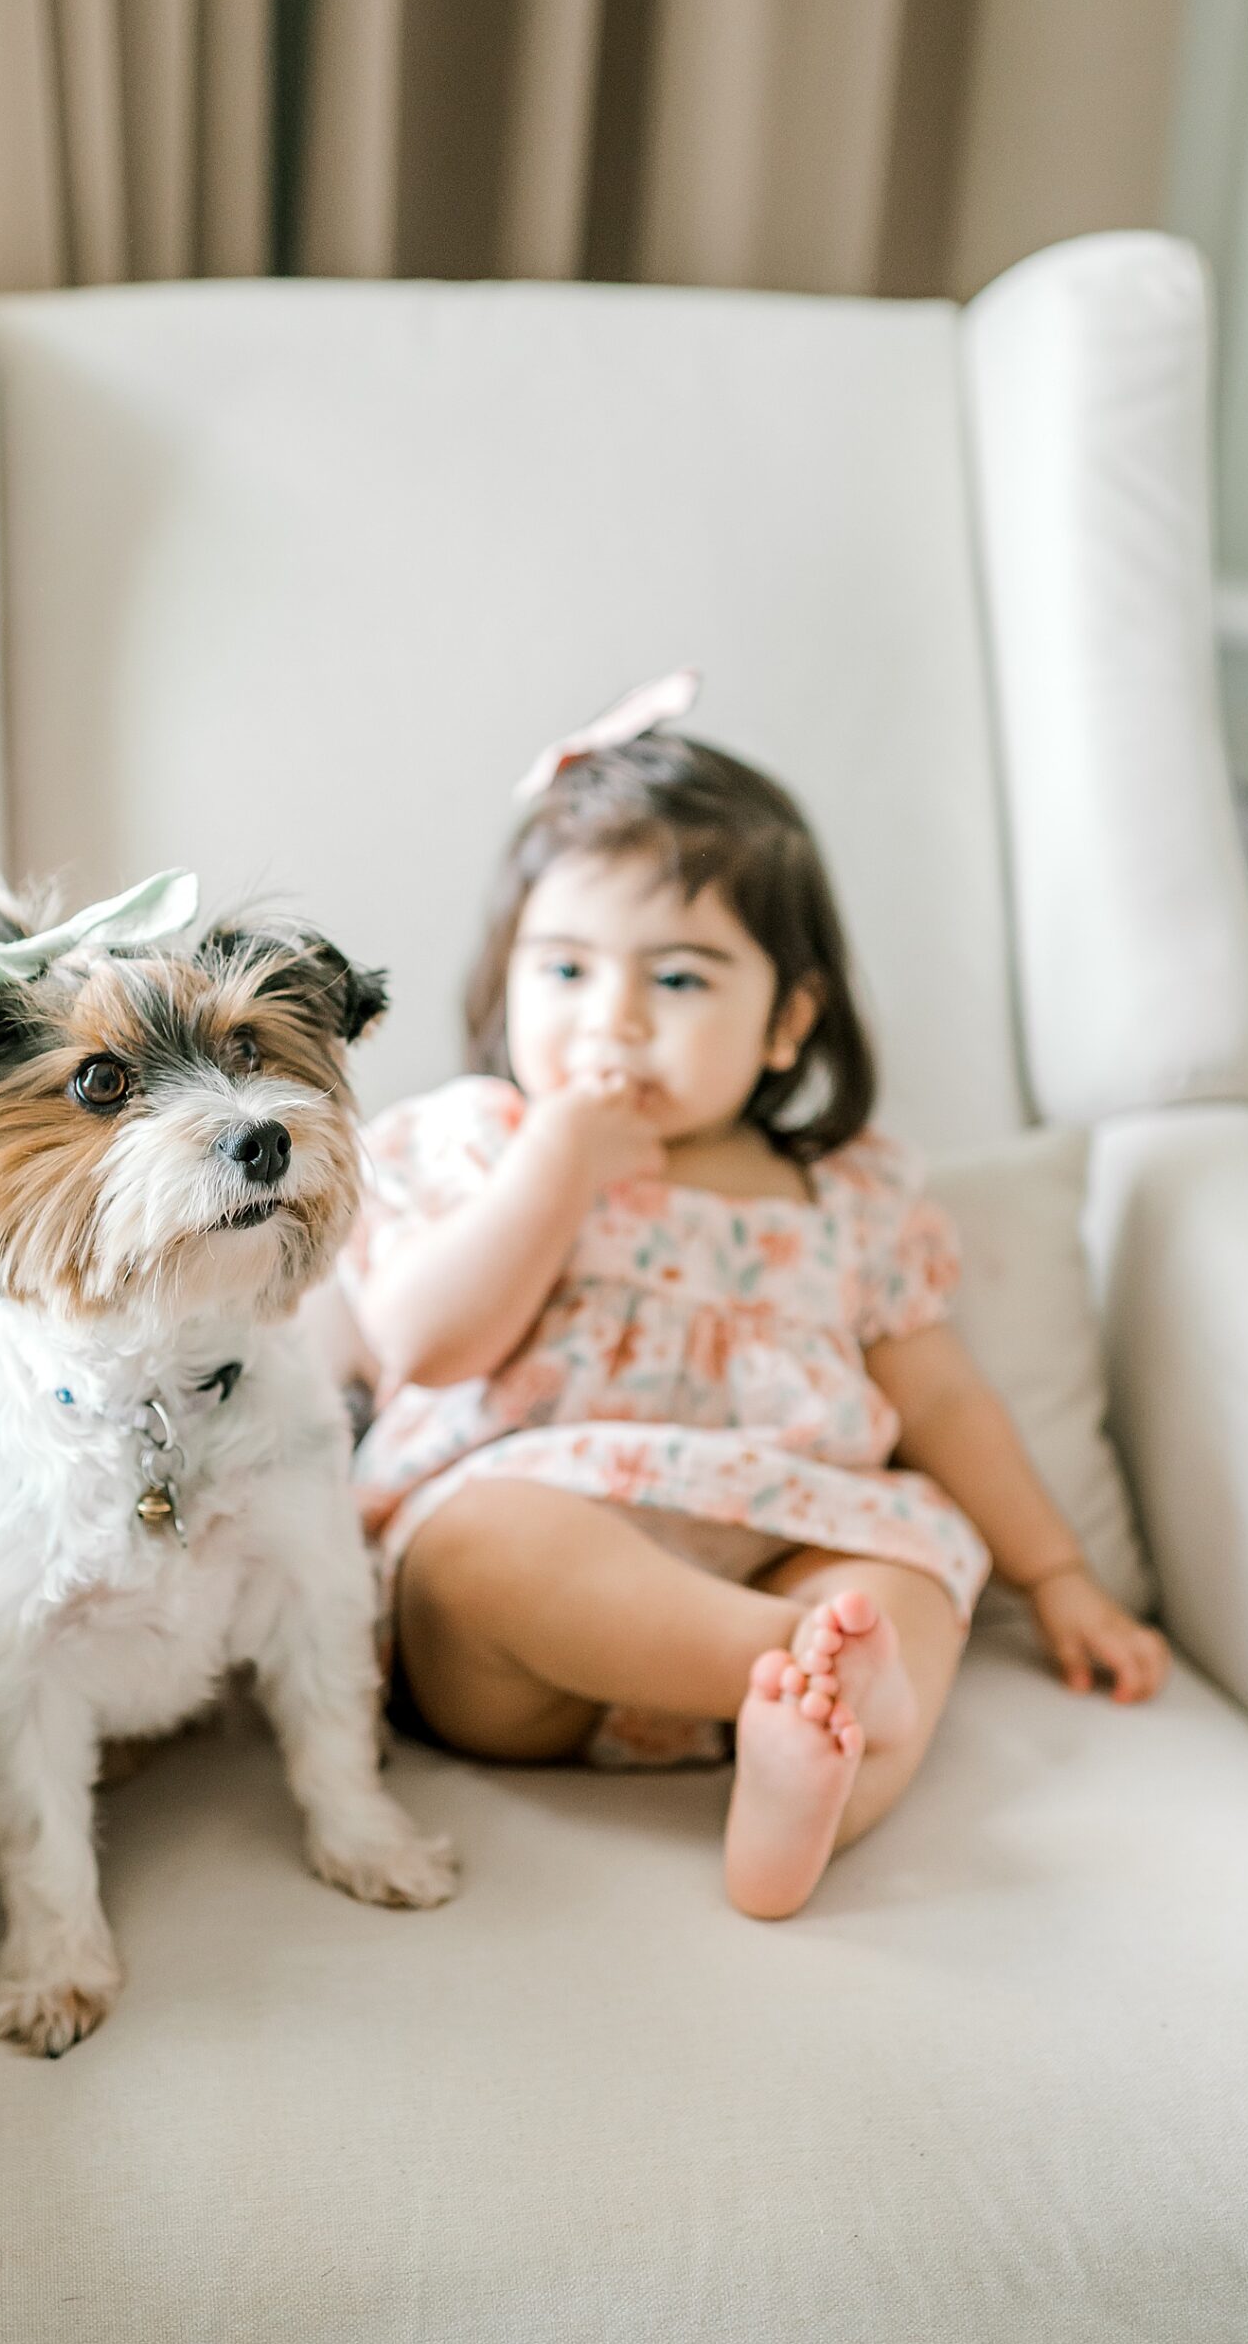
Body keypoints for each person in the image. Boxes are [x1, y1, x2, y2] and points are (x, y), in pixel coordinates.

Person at [336, 678, 1169, 1919]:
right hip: (532, 1620)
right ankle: (796, 1680)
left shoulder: (845, 1190)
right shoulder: (474, 1145)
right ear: (503, 982)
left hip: (783, 1536)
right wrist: (551, 1173)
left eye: (678, 981)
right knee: (478, 1551)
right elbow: (421, 1345)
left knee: (901, 1576)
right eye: (563, 969)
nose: (609, 1018)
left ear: (787, 1021)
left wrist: (1055, 1574)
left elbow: (938, 1392)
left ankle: (801, 1796)